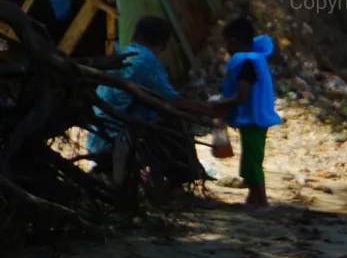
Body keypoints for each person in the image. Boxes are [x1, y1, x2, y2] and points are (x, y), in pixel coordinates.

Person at [88, 16, 214, 194]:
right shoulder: (146, 60)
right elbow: (172, 100)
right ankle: (177, 185)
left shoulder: (124, 54)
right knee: (174, 122)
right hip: (117, 138)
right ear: (163, 44)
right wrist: (209, 111)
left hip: (97, 137)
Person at [218, 17, 281, 211]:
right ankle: (253, 197)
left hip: (254, 119)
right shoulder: (255, 59)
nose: (226, 48)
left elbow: (240, 96)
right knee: (251, 157)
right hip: (258, 118)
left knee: (253, 160)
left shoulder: (246, 63)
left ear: (233, 41)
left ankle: (262, 201)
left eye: (226, 42)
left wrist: (217, 105)